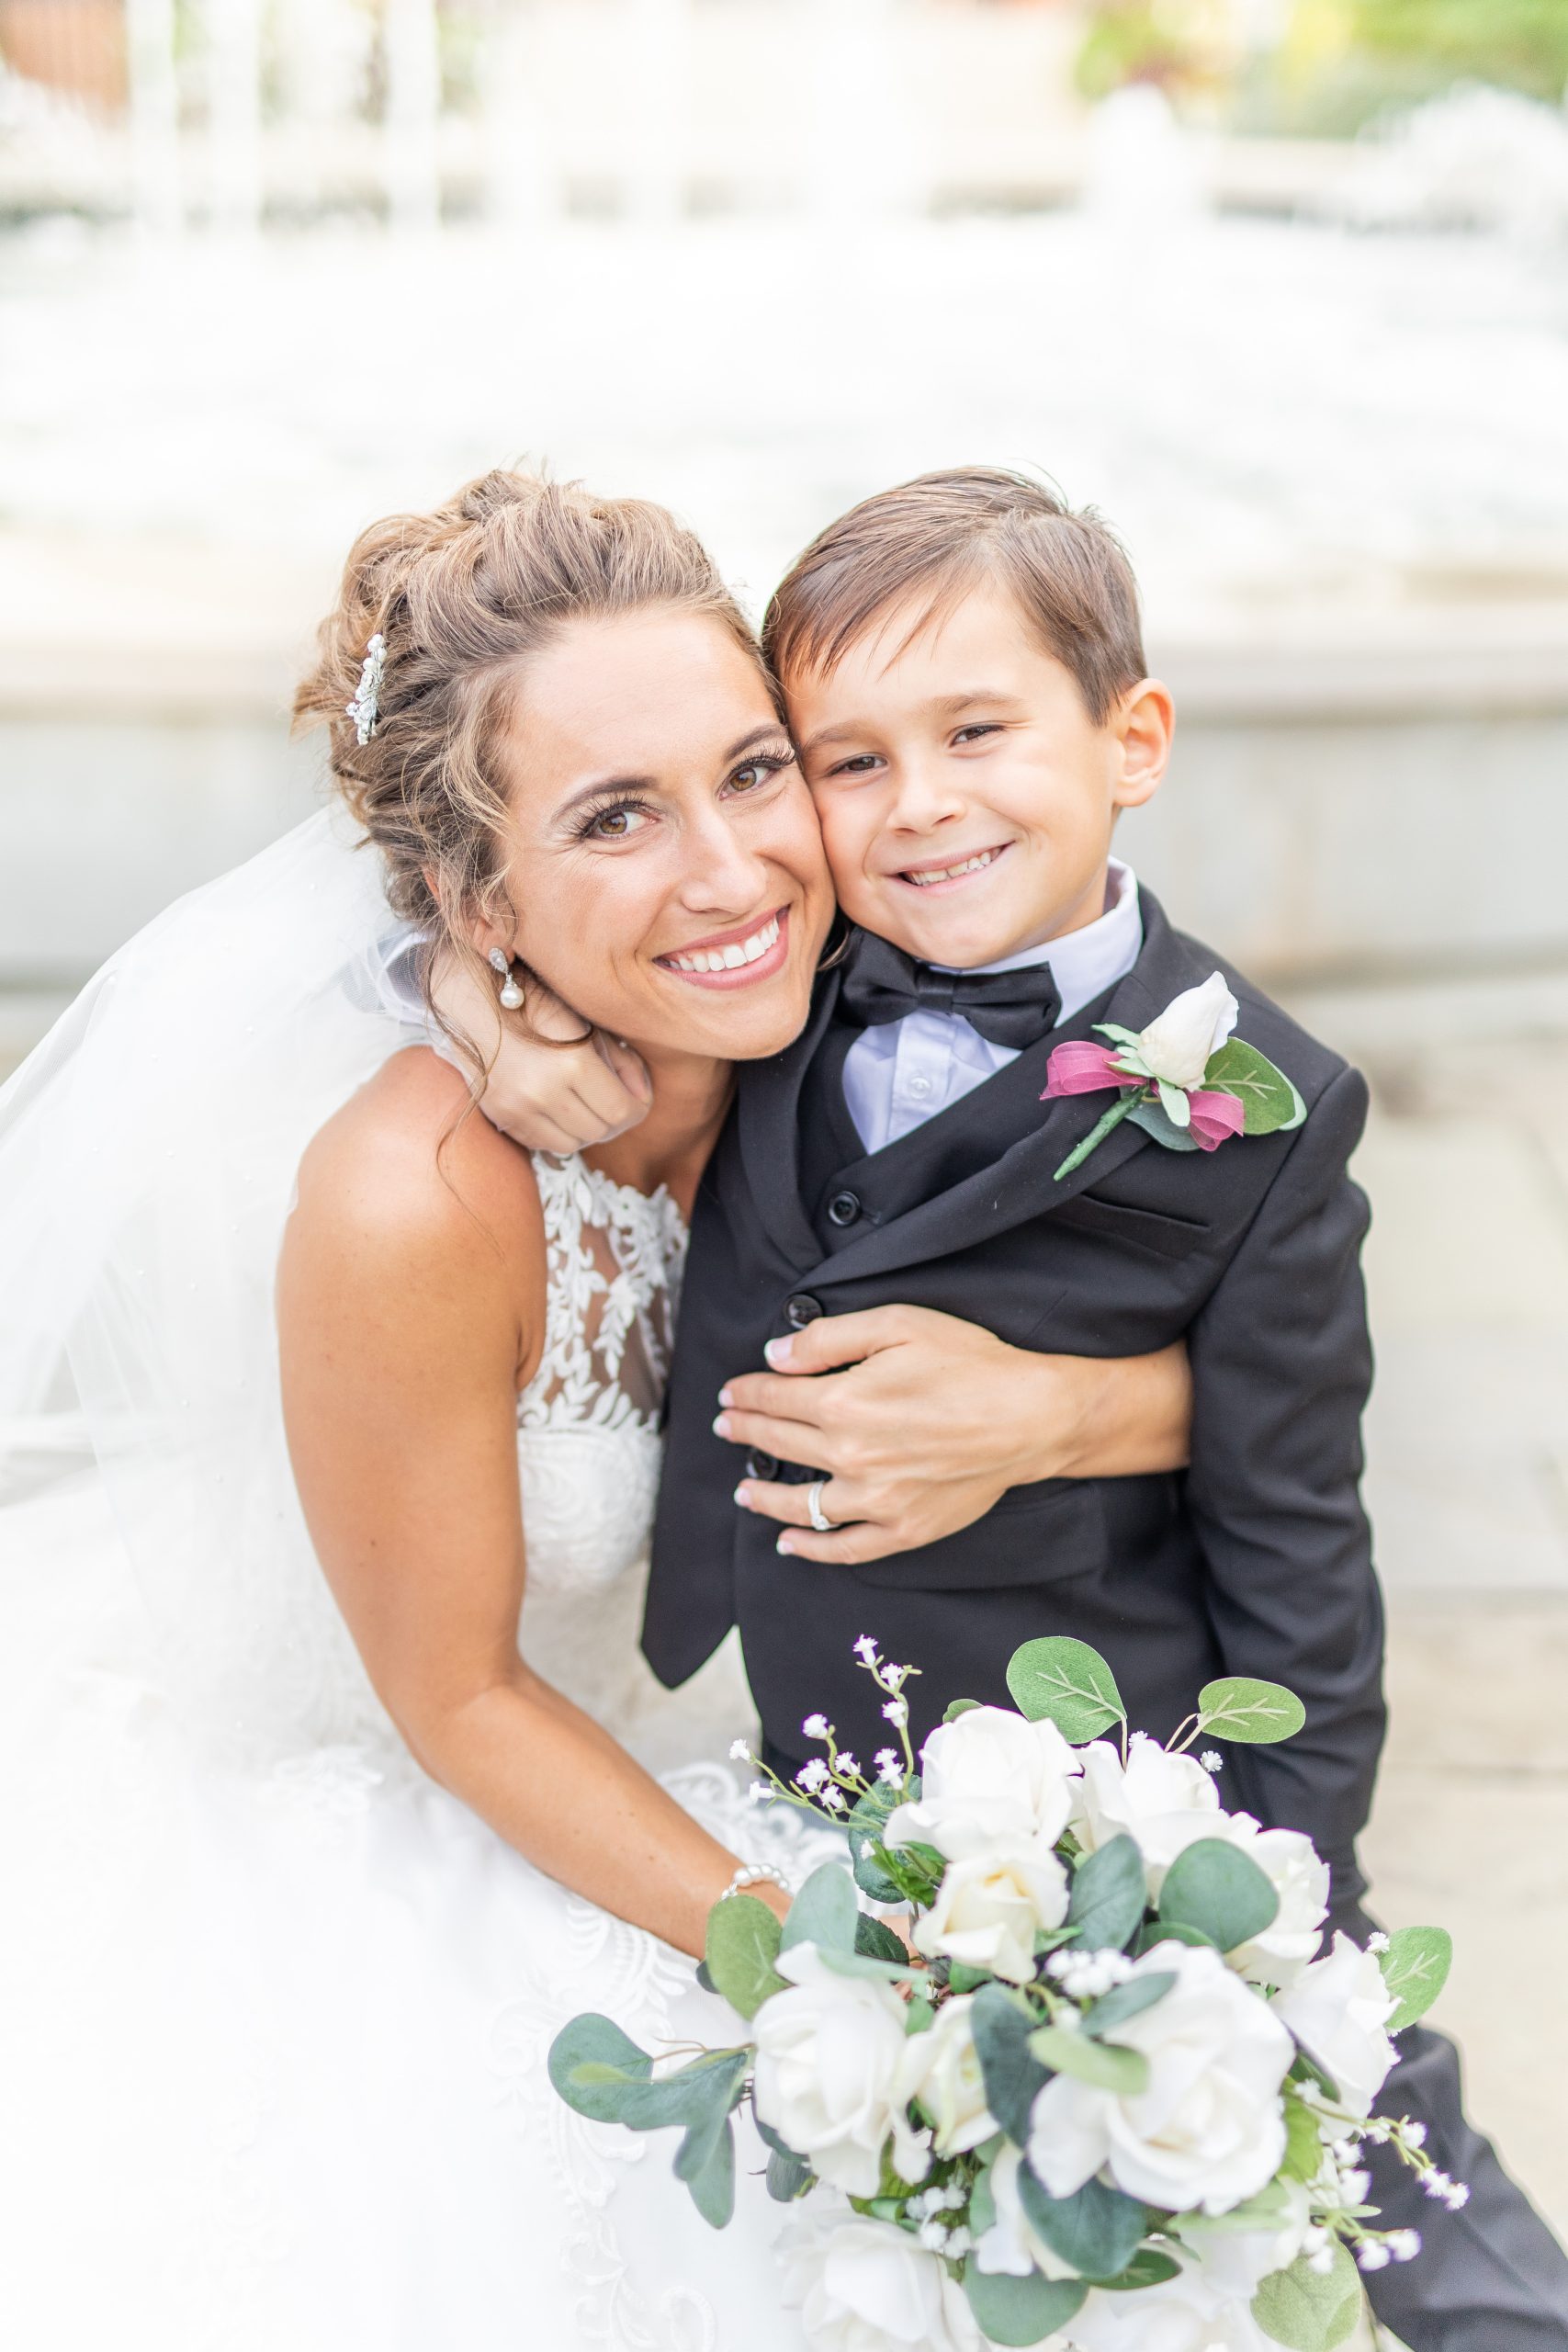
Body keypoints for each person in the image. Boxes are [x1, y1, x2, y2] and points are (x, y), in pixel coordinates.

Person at [0, 469, 1189, 2352]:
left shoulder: (854, 992)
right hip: (393, 1782)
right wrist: (821, 1957)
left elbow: (1247, 1311)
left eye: (752, 769)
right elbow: (453, 1695)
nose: (733, 871)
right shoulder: (418, 1198)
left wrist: (1059, 1409)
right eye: (614, 817)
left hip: (664, 1722)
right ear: (473, 901)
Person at [469, 467, 1568, 2351]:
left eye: (973, 730)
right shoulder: (771, 961)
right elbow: (548, 900)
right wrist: (473, 988)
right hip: (793, 1756)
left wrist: (1280, 1877)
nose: (917, 806)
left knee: (1362, 2139)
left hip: (1104, 1759)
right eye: (845, 758)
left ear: (1127, 735)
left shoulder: (1261, 1107)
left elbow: (1297, 1523)